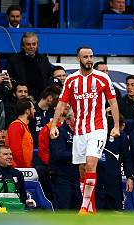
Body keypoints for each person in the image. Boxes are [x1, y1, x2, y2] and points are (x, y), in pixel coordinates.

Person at [49, 46, 120, 214]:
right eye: (85, 57)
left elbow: (113, 103)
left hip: (98, 128)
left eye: (91, 56)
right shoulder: (71, 80)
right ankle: (92, 209)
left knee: (90, 164)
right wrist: (54, 125)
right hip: (80, 130)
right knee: (82, 169)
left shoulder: (102, 78)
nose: (89, 59)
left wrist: (116, 125)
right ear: (78, 59)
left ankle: (84, 206)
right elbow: (61, 104)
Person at [95, 115, 134, 210]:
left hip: (114, 182)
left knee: (115, 212)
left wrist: (129, 177)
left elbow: (126, 158)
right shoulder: (97, 134)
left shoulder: (122, 137)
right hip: (98, 182)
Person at [50, 110, 82, 210]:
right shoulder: (59, 132)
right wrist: (78, 155)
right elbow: (58, 154)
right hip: (62, 176)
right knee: (63, 208)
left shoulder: (82, 133)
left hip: (77, 176)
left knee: (77, 206)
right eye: (76, 116)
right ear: (68, 120)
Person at [7, 32, 53, 102]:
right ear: (23, 46)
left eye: (34, 44)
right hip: (21, 100)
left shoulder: (44, 59)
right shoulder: (14, 60)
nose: (31, 47)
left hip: (42, 99)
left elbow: (49, 78)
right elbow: (11, 80)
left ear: (37, 45)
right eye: (28, 44)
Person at [5, 99, 34, 168]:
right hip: (18, 168)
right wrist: (23, 168)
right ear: (27, 111)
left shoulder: (23, 126)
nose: (34, 111)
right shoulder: (16, 126)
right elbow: (16, 151)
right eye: (33, 108)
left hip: (23, 168)